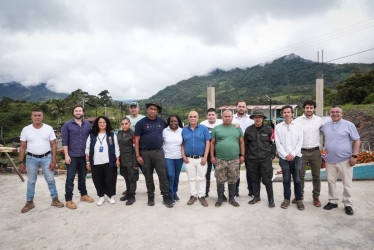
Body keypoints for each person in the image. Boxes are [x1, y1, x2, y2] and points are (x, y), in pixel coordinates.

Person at [19, 109, 64, 213]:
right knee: (31, 181)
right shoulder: (26, 130)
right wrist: (21, 162)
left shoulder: (48, 128)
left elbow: (53, 145)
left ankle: (55, 200)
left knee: (50, 180)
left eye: (39, 115)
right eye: (35, 115)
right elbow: (22, 147)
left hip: (46, 157)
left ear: (42, 117)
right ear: (32, 117)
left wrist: (53, 160)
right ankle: (30, 202)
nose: (37, 117)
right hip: (31, 158)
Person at [320, 105, 360, 216]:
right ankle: (333, 201)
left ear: (342, 114)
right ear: (329, 114)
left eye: (337, 112)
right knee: (331, 182)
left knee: (347, 183)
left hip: (345, 160)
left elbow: (356, 140)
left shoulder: (349, 125)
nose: (335, 114)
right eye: (332, 112)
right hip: (330, 160)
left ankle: (347, 204)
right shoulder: (325, 126)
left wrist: (354, 156)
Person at [134, 103, 173, 208]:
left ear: (158, 111)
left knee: (163, 175)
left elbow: (169, 132)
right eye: (151, 109)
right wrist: (138, 156)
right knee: (148, 175)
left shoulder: (162, 122)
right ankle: (150, 195)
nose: (153, 111)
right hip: (145, 153)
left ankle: (166, 196)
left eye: (155, 109)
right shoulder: (140, 123)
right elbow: (136, 140)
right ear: (147, 110)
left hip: (159, 153)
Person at [61, 105, 94, 209]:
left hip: (84, 156)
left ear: (83, 113)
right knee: (70, 178)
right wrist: (66, 155)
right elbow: (64, 141)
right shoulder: (67, 125)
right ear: (73, 113)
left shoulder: (88, 125)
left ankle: (83, 195)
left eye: (80, 111)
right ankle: (68, 199)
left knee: (82, 177)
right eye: (76, 111)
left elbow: (92, 139)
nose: (78, 112)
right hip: (72, 156)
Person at [210, 110, 244, 207]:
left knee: (233, 179)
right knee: (220, 179)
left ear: (232, 117)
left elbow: (241, 142)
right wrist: (212, 156)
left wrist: (242, 155)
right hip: (220, 159)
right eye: (225, 116)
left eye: (229, 116)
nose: (227, 118)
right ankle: (220, 198)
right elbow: (212, 143)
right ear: (222, 117)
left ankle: (232, 198)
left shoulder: (237, 128)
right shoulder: (216, 129)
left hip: (234, 159)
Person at [294, 100, 323, 207]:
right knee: (300, 176)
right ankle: (299, 195)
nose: (309, 110)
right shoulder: (297, 121)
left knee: (316, 176)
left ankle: (316, 197)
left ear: (314, 109)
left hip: (315, 151)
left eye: (311, 108)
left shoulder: (319, 120)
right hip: (301, 152)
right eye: (307, 108)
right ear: (304, 109)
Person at [275, 105, 304, 210]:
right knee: (286, 179)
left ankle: (299, 199)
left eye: (288, 112)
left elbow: (300, 142)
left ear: (292, 114)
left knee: (297, 179)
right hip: (284, 157)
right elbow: (277, 143)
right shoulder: (278, 127)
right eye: (284, 112)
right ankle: (286, 199)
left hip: (296, 156)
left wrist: (293, 154)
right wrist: (286, 155)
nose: (286, 114)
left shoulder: (298, 126)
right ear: (282, 114)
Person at [85, 116, 120, 206]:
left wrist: (117, 159)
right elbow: (87, 149)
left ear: (107, 124)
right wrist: (88, 162)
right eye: (100, 122)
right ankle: (101, 196)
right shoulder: (92, 135)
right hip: (96, 162)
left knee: (110, 180)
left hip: (109, 162)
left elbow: (116, 148)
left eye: (104, 122)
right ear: (97, 124)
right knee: (98, 180)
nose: (102, 124)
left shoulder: (111, 135)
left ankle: (110, 196)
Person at [245, 110, 276, 208]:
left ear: (263, 118)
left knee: (267, 180)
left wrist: (272, 155)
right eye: (255, 117)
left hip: (265, 159)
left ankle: (271, 199)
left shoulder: (269, 129)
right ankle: (256, 197)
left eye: (260, 117)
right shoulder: (248, 130)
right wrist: (246, 157)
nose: (258, 119)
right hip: (252, 159)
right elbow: (245, 145)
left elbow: (273, 143)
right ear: (253, 118)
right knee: (255, 179)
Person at [182, 111, 211, 207]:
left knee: (202, 178)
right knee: (191, 178)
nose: (193, 118)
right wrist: (184, 156)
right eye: (191, 117)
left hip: (201, 158)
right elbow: (182, 144)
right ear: (188, 118)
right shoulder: (184, 130)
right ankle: (193, 195)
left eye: (195, 116)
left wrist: (205, 157)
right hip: (189, 159)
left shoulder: (203, 129)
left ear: (198, 118)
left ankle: (202, 196)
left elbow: (208, 142)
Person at [233, 101, 254, 197]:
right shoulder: (231, 118)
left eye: (243, 106)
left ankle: (251, 190)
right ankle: (235, 191)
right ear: (236, 108)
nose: (241, 108)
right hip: (235, 146)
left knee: (250, 170)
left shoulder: (251, 120)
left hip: (249, 147)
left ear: (246, 108)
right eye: (239, 106)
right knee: (235, 170)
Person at [200, 108, 222, 198]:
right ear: (206, 116)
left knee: (220, 174)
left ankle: (221, 194)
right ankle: (205, 192)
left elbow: (230, 124)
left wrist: (236, 125)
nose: (211, 116)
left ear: (216, 115)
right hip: (207, 152)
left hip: (219, 152)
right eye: (209, 115)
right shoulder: (202, 124)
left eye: (213, 115)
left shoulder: (221, 122)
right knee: (206, 173)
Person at [117, 117, 139, 205]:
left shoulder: (133, 134)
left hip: (131, 159)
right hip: (122, 159)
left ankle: (132, 196)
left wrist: (135, 162)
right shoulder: (119, 133)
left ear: (129, 124)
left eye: (126, 124)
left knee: (132, 178)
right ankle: (128, 192)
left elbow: (136, 149)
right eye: (122, 124)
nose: (124, 125)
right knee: (126, 176)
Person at [163, 115, 184, 204]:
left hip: (179, 157)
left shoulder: (182, 131)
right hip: (168, 157)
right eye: (171, 121)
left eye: (175, 121)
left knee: (176, 176)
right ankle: (170, 194)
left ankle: (175, 193)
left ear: (178, 122)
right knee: (170, 176)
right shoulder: (165, 131)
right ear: (168, 122)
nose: (173, 123)